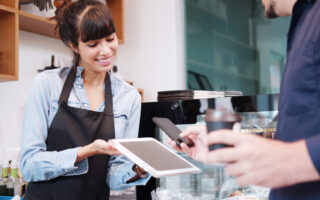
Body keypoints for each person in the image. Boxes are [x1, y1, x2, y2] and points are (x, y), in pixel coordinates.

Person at [170, 0, 320, 199]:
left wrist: (292, 160)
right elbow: (303, 132)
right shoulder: (305, 23)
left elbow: (291, 156)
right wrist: (229, 145)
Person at [20, 1, 150, 199]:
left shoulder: (129, 97)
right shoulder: (48, 84)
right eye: (93, 44)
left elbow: (114, 176)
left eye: (110, 38)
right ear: (74, 45)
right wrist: (85, 152)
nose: (106, 51)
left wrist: (140, 168)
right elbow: (29, 166)